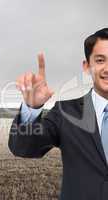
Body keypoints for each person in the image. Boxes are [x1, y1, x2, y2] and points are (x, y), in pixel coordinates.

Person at [8, 28, 108, 200]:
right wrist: (32, 107)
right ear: (87, 66)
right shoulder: (66, 112)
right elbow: (24, 148)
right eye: (100, 60)